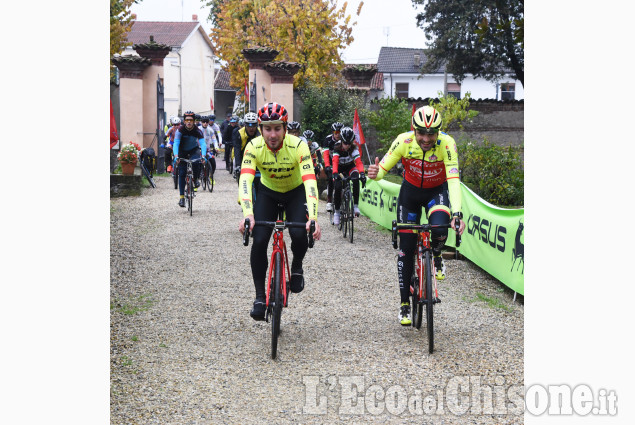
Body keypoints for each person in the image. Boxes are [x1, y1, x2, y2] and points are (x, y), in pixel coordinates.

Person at [367, 106, 466, 326]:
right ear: (414, 130)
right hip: (410, 194)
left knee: (440, 230)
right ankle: (404, 303)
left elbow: (453, 179)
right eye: (421, 132)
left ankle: (437, 255)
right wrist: (376, 174)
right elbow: (383, 168)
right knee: (407, 248)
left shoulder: (447, 144)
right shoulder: (403, 141)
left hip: (436, 192)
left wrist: (457, 213)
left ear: (438, 132)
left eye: (431, 133)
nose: (426, 138)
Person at [238, 102, 322, 321]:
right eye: (267, 128)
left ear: (285, 128)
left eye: (277, 128)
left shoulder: (298, 146)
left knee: (298, 233)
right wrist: (248, 214)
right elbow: (246, 180)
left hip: (295, 192)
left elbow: (310, 181)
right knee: (259, 240)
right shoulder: (254, 147)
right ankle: (259, 297)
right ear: (260, 128)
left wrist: (313, 218)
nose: (272, 134)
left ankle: (296, 266)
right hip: (268, 193)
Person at [331, 127, 366, 224]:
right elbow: (335, 161)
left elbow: (358, 162)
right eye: (345, 143)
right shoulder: (337, 146)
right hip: (339, 168)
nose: (347, 145)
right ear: (341, 141)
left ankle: (355, 205)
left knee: (356, 178)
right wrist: (335, 173)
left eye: (349, 143)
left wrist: (362, 173)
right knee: (338, 187)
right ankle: (337, 213)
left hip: (350, 167)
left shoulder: (354, 147)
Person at [173, 111, 206, 207]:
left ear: (194, 121)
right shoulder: (180, 130)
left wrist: (203, 156)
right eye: (187, 120)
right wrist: (176, 156)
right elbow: (176, 143)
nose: (189, 122)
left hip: (193, 150)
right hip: (182, 151)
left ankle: (195, 179)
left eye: (191, 120)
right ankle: (182, 198)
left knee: (197, 162)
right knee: (182, 173)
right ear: (184, 121)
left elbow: (203, 144)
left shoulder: (197, 130)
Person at [232, 112, 261, 189]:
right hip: (242, 156)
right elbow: (237, 150)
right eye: (248, 125)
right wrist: (238, 165)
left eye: (254, 125)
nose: (251, 128)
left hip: (257, 157)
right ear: (245, 125)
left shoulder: (261, 133)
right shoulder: (239, 133)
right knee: (241, 176)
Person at [322, 122, 344, 213]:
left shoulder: (345, 139)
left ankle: (345, 197)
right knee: (331, 178)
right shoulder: (328, 139)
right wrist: (327, 166)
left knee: (345, 179)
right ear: (333, 132)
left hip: (342, 162)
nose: (337, 134)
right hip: (331, 162)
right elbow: (326, 154)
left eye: (339, 132)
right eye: (335, 132)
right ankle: (330, 200)